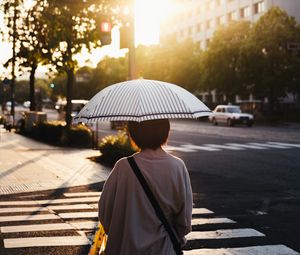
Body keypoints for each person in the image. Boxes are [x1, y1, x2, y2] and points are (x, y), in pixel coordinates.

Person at [98, 119, 193, 255]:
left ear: (134, 133)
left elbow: (105, 212)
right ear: (166, 132)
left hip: (126, 248)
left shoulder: (123, 167)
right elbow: (184, 220)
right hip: (164, 249)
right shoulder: (177, 167)